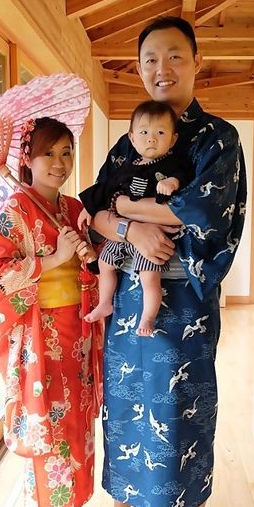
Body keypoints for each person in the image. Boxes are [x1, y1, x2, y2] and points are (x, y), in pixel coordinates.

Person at [82, 16, 246, 507]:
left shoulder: (219, 138)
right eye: (151, 58)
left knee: (184, 412)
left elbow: (202, 212)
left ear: (195, 63)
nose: (161, 69)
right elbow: (95, 211)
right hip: (127, 297)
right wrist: (127, 229)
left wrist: (129, 214)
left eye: (174, 56)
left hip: (186, 302)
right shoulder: (128, 140)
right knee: (124, 405)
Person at [0, 117, 102, 507]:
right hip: (39, 337)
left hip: (78, 332)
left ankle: (62, 504)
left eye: (66, 152)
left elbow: (90, 265)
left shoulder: (71, 209)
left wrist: (86, 257)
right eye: (48, 153)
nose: (59, 162)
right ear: (27, 160)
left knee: (74, 424)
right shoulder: (14, 211)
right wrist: (53, 259)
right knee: (43, 428)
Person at [79, 99, 194, 336]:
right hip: (122, 236)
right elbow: (104, 188)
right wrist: (88, 207)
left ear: (172, 139)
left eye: (160, 132)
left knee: (149, 277)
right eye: (144, 132)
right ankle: (105, 303)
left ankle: (148, 318)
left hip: (153, 238)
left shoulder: (173, 164)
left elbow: (184, 177)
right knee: (104, 264)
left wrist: (171, 182)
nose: (151, 138)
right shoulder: (127, 166)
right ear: (132, 138)